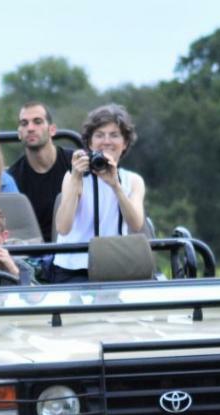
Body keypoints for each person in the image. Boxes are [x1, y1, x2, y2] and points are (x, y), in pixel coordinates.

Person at [50, 104, 147, 283]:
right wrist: (76, 180)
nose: (107, 141)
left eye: (114, 135)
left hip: (117, 265)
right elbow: (63, 227)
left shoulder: (133, 180)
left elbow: (136, 224)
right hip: (74, 268)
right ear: (90, 143)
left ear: (124, 143)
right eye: (99, 135)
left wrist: (116, 186)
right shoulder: (73, 176)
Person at [5, 101, 72, 243]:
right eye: (24, 123)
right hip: (34, 255)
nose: (30, 128)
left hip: (74, 249)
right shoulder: (12, 178)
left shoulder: (75, 163)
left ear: (52, 130)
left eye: (37, 122)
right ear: (19, 133)